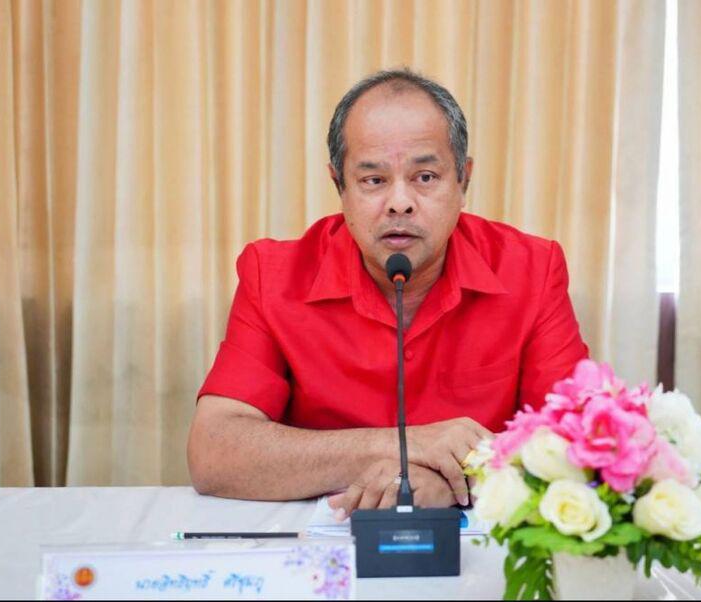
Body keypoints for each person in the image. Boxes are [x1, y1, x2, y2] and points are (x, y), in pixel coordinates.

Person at [187, 69, 588, 519]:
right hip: (327, 539)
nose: (400, 202)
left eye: (425, 176)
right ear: (339, 185)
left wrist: (455, 480)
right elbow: (214, 453)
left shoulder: (531, 270)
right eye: (374, 180)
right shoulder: (274, 275)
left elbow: (583, 447)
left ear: (463, 180)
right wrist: (406, 448)